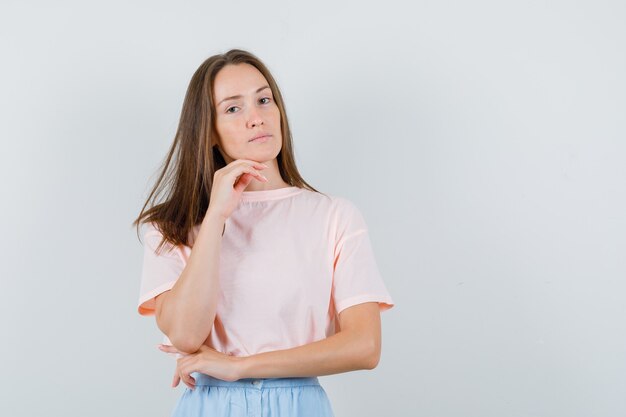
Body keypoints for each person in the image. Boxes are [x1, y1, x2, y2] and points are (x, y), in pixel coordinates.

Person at [132, 48, 395, 417]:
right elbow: (186, 335)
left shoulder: (334, 216)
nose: (256, 118)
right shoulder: (169, 227)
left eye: (264, 100)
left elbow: (364, 346)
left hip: (300, 405)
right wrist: (215, 219)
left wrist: (240, 366)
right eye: (233, 108)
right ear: (208, 130)